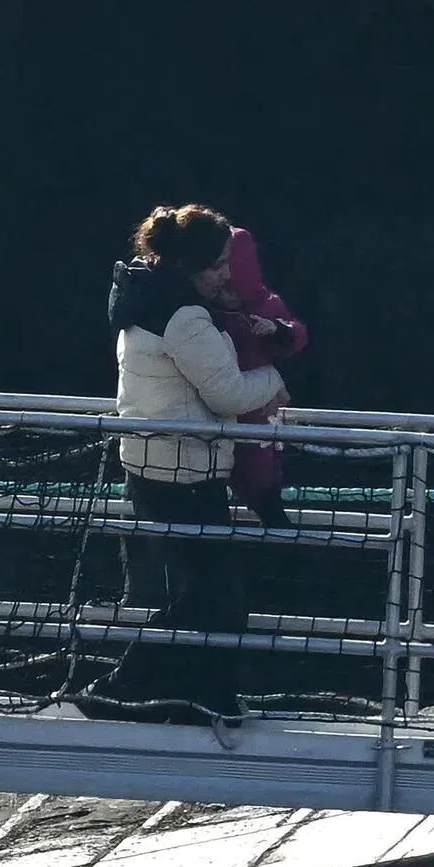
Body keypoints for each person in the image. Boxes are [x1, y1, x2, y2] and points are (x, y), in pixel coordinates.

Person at [103, 202, 289, 722]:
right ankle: (128, 687)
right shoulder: (185, 317)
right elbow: (229, 394)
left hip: (150, 466)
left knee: (205, 594)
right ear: (192, 266)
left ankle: (199, 698)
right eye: (218, 264)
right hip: (185, 473)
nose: (226, 274)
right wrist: (274, 382)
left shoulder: (141, 297)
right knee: (216, 600)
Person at [213, 226, 308, 529]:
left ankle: (279, 539)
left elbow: (297, 334)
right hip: (212, 416)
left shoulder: (267, 304)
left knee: (261, 483)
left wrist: (278, 331)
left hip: (255, 415)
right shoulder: (202, 308)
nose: (226, 291)